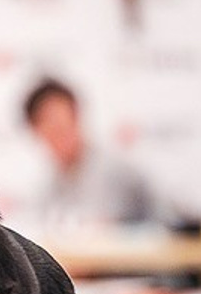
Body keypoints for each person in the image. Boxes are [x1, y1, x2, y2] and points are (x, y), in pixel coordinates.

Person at [22, 77, 158, 227]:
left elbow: (101, 231)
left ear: (76, 118)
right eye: (50, 132)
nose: (58, 139)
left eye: (61, 127)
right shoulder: (51, 181)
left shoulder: (111, 169)